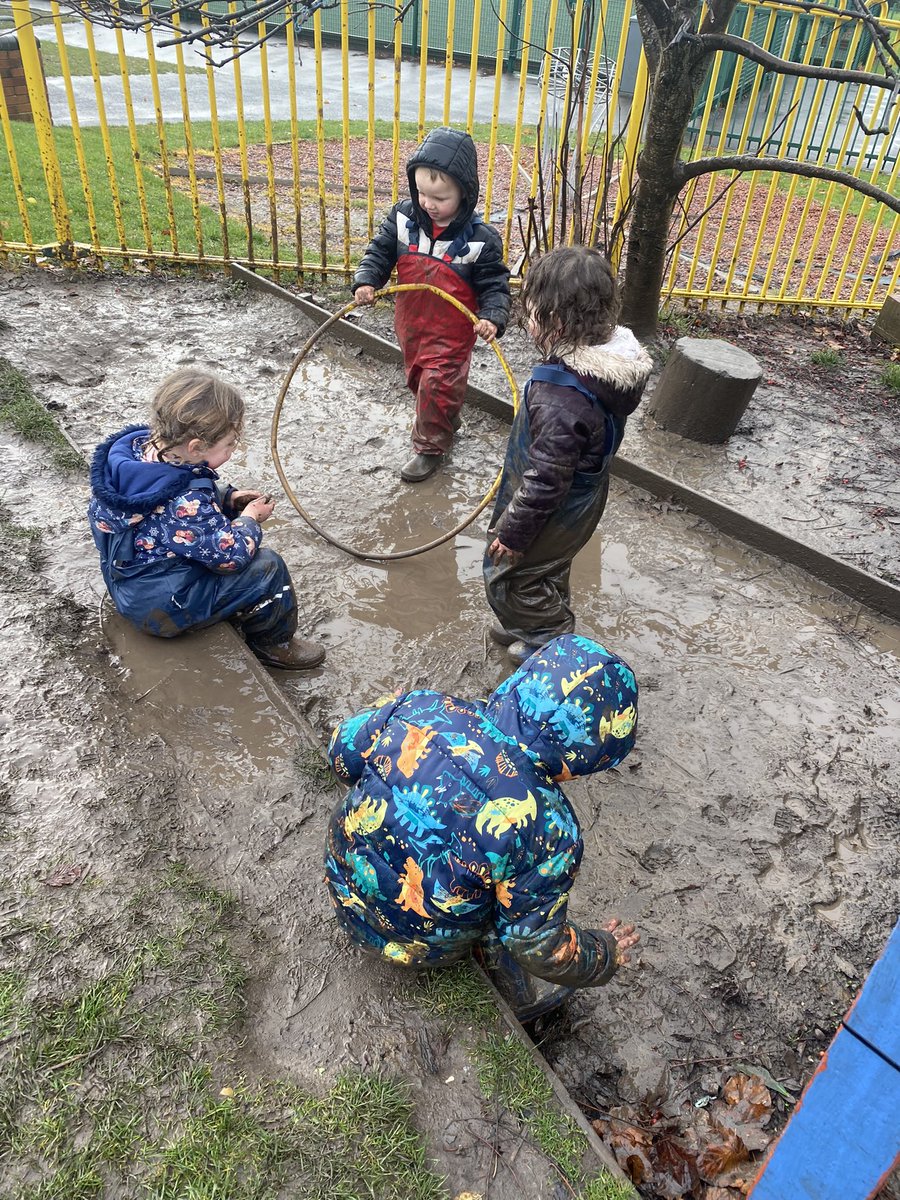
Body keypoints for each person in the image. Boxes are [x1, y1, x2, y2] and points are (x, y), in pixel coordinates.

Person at [324, 634, 640, 1021]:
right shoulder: (553, 829)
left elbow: (341, 755)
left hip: (341, 881)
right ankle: (520, 1002)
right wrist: (602, 952)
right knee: (512, 918)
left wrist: (389, 711)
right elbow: (537, 945)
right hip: (418, 945)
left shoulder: (422, 707)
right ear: (591, 757)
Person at [88, 368, 324, 671]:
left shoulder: (134, 456)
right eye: (229, 444)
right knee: (268, 567)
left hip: (128, 581)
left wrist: (227, 498)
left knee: (207, 538)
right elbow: (230, 556)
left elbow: (183, 485)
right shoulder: (186, 503)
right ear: (196, 447)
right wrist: (250, 518)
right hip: (160, 609)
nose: (233, 450)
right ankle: (274, 646)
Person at [484, 246, 654, 667]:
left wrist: (514, 532)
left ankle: (548, 637)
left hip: (555, 500)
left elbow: (544, 481)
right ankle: (531, 619)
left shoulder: (564, 397)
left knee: (507, 572)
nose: (527, 321)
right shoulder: (606, 368)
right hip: (580, 493)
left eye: (533, 312)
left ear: (557, 321)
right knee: (547, 565)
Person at [352, 126, 511, 484]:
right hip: (412, 326)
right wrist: (366, 280)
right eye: (422, 192)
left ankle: (429, 448)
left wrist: (492, 317)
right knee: (420, 380)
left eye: (440, 197)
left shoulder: (480, 241)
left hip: (452, 336)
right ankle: (447, 417)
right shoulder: (403, 219)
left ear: (464, 194)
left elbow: (495, 286)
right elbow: (379, 252)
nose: (428, 203)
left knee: (437, 384)